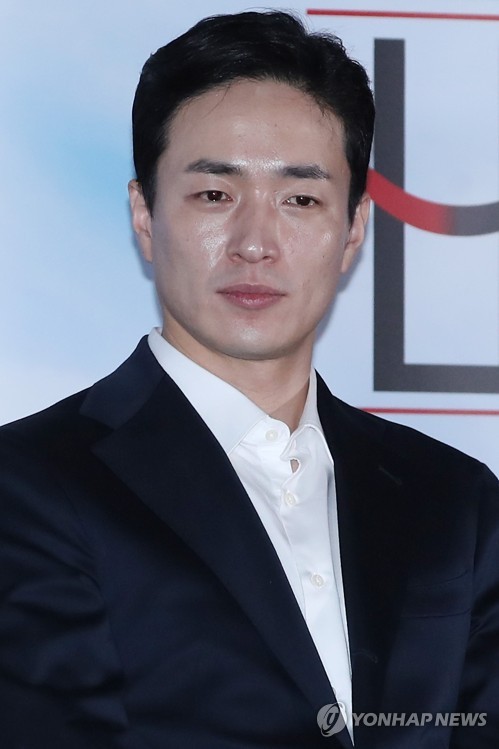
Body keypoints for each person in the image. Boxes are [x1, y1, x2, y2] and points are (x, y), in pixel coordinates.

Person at [0, 10, 498, 749]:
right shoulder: (27, 484)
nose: (255, 244)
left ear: (353, 228)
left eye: (300, 199)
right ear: (144, 214)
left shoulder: (455, 500)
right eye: (214, 195)